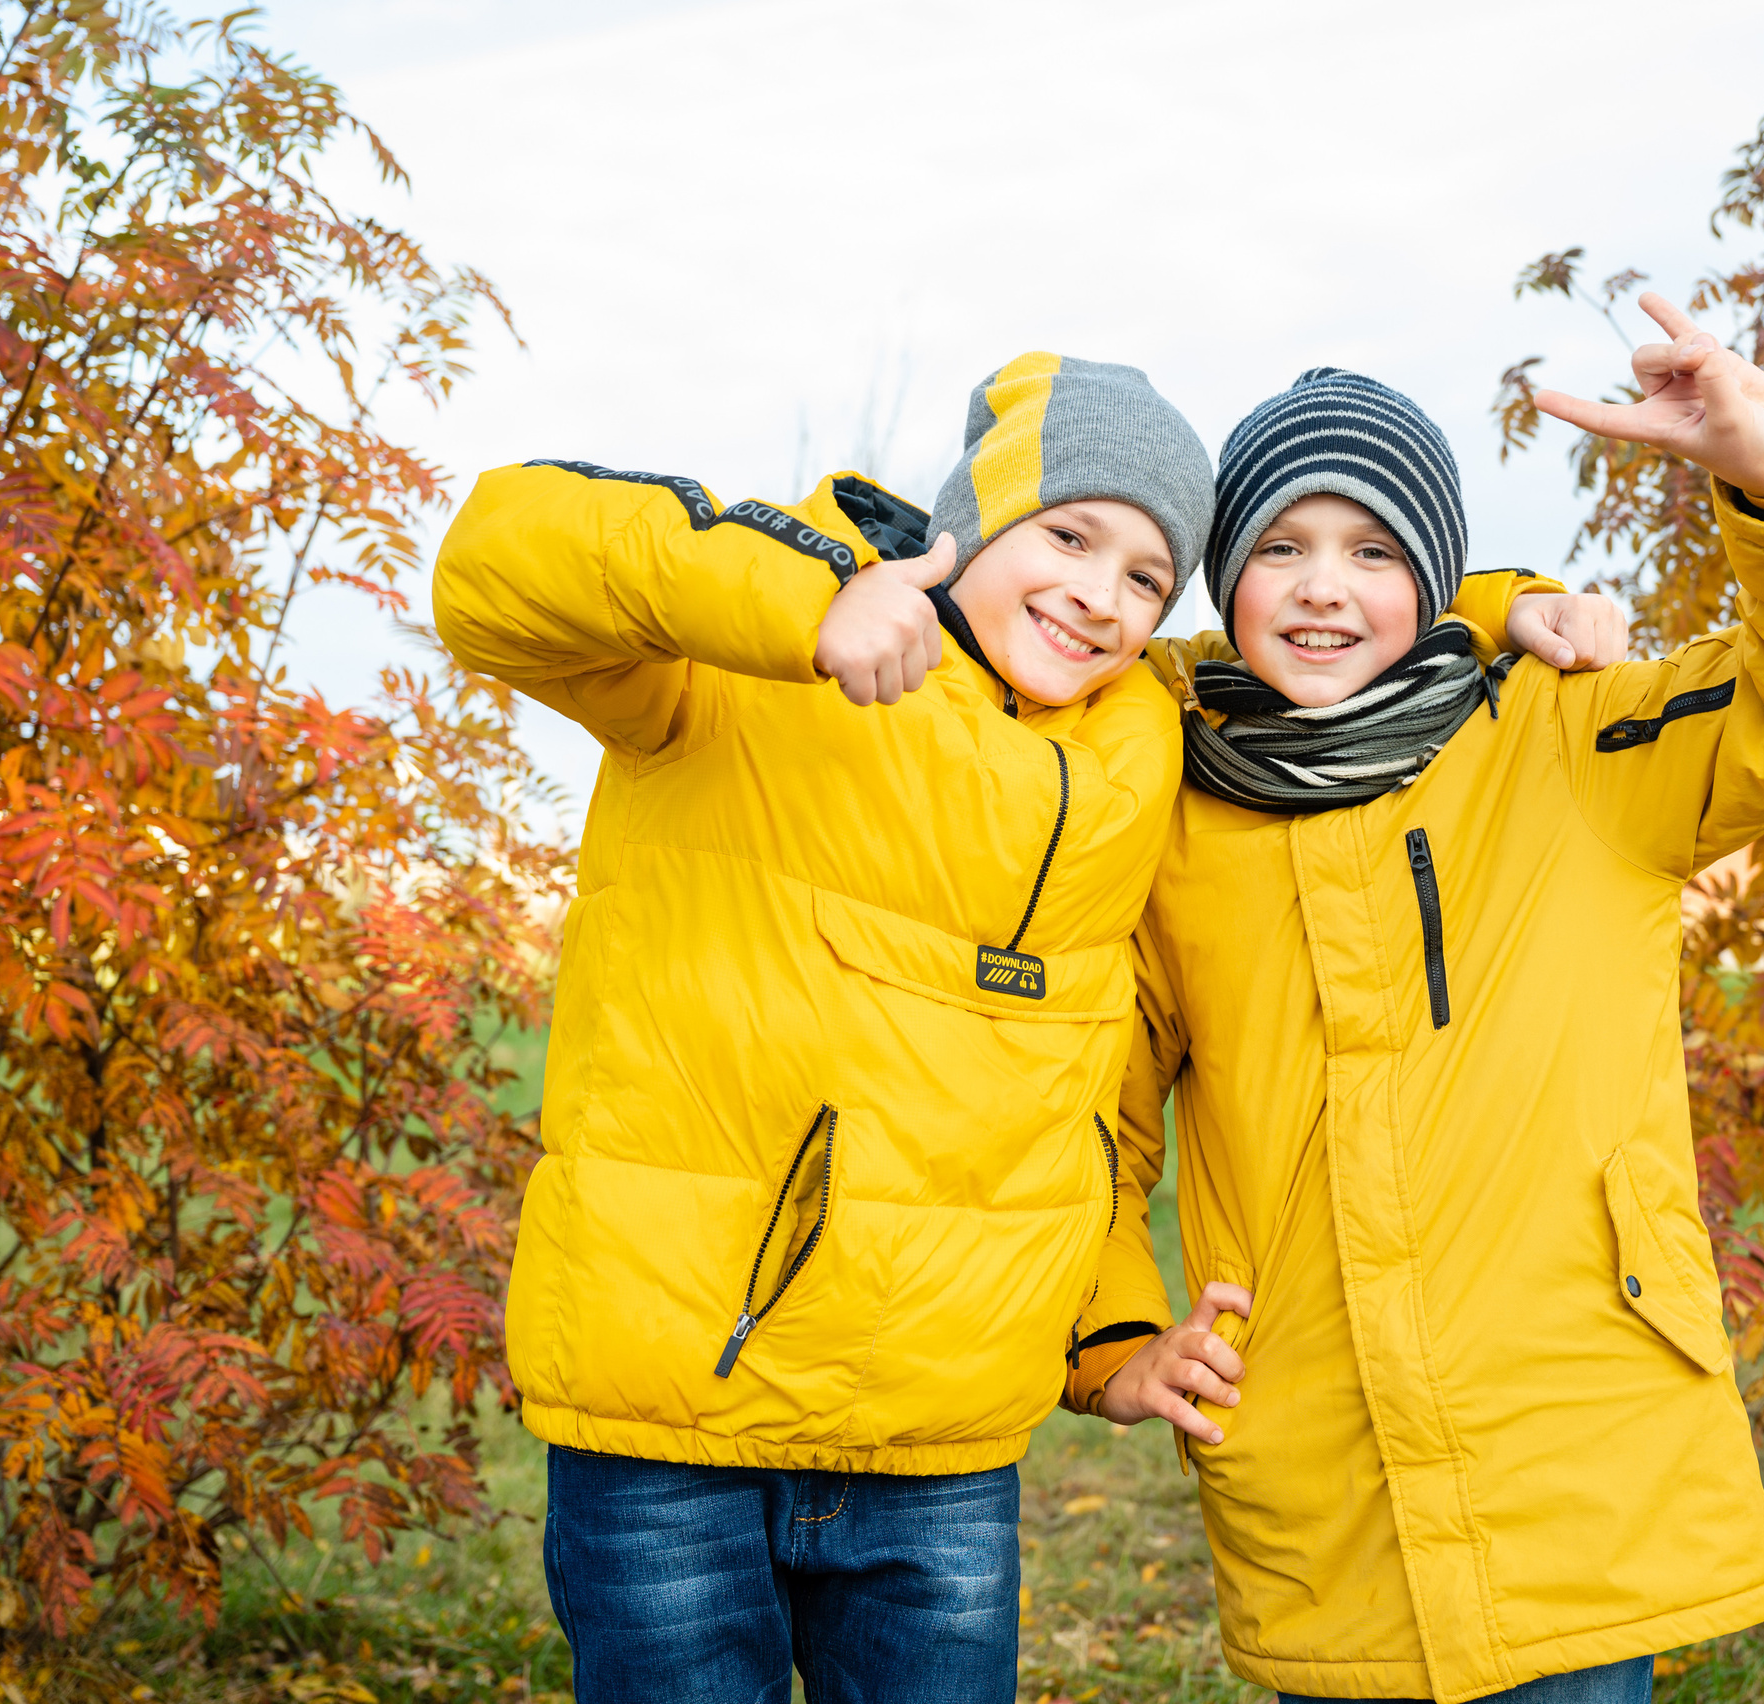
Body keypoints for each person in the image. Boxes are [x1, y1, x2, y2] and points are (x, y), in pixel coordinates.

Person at [1079, 297, 1764, 1703]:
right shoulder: (1171, 800)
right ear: (1225, 579)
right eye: (1279, 547)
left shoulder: (1574, 739)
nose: (1324, 588)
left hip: (1570, 1459)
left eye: (1378, 551)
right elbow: (1097, 1118)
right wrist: (1106, 1335)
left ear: (1439, 569)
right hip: (1319, 1470)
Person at [431, 352, 1216, 1704]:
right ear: (971, 522)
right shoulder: (735, 669)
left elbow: (1345, 637)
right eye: (1070, 532)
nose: (1100, 591)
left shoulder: (1148, 747)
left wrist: (1525, 604)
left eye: (1148, 574)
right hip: (674, 1417)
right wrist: (800, 605)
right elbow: (497, 558)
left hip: (941, 1450)